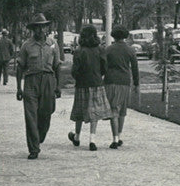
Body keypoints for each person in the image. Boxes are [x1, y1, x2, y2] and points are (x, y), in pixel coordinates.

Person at [15, 13, 61, 159]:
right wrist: (18, 88)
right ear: (33, 29)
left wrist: (58, 86)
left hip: (48, 80)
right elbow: (20, 67)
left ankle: (38, 137)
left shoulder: (53, 44)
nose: (40, 31)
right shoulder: (26, 45)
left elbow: (57, 66)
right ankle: (34, 148)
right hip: (31, 82)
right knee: (30, 116)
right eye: (37, 28)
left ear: (46, 28)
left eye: (43, 27)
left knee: (46, 113)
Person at [68, 24, 111, 151]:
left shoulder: (79, 51)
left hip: (82, 84)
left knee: (80, 111)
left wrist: (78, 77)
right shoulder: (100, 49)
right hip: (96, 83)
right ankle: (92, 140)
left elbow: (74, 70)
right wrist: (99, 75)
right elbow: (104, 67)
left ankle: (77, 137)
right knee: (94, 112)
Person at [104, 24, 140, 149]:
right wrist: (136, 84)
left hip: (110, 81)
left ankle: (115, 138)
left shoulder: (108, 49)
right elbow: (135, 68)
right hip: (125, 82)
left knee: (113, 109)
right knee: (122, 111)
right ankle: (119, 135)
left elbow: (103, 66)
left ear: (113, 35)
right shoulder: (130, 50)